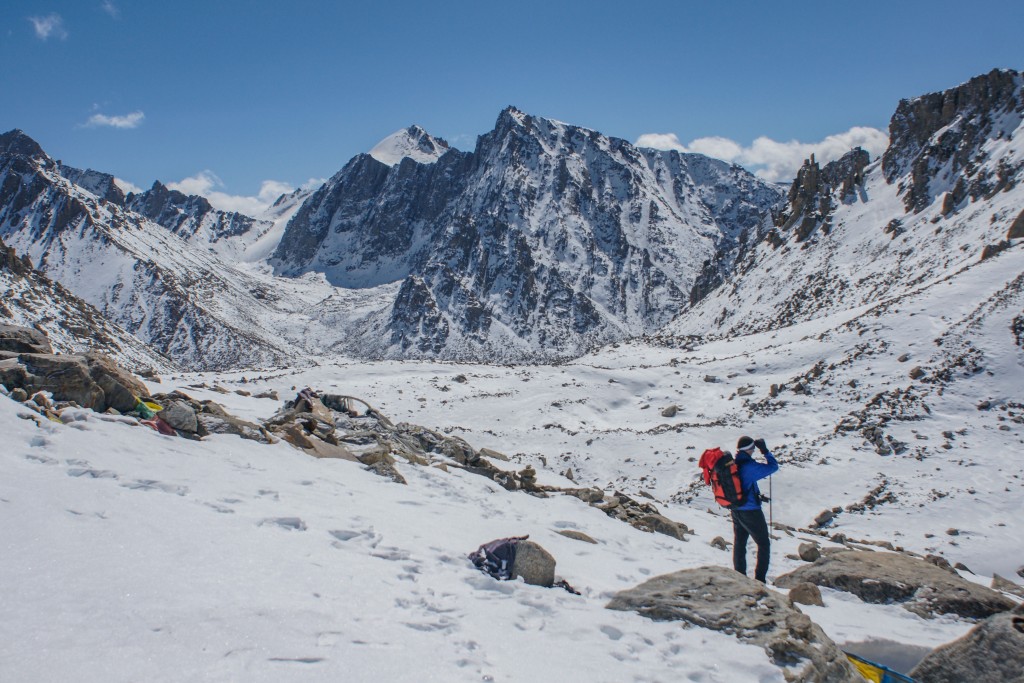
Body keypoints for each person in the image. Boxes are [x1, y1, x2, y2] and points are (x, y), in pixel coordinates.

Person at [731, 435, 779, 583]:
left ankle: (740, 577)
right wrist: (765, 451)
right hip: (751, 511)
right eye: (753, 449)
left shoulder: (734, 464)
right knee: (763, 544)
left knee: (740, 543)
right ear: (750, 449)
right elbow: (773, 467)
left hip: (736, 509)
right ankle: (760, 580)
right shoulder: (749, 467)